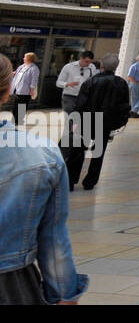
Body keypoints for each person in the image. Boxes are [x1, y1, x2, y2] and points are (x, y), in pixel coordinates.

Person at [0, 54, 88, 304]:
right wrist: (65, 294)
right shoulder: (42, 154)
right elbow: (52, 237)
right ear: (7, 92)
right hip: (13, 285)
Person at [61, 54, 131, 191]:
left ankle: (70, 179)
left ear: (102, 66)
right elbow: (124, 105)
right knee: (99, 152)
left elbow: (80, 104)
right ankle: (90, 181)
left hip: (87, 120)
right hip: (106, 122)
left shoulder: (91, 82)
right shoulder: (121, 83)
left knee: (78, 150)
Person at [55, 51, 94, 115]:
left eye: (90, 62)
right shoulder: (68, 67)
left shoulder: (92, 68)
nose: (88, 64)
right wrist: (68, 84)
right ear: (81, 58)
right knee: (70, 117)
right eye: (86, 61)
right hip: (69, 96)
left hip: (83, 97)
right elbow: (58, 83)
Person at [10, 52, 40, 122]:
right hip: (17, 89)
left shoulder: (34, 68)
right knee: (15, 106)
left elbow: (34, 79)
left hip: (26, 90)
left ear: (29, 59)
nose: (23, 58)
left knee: (22, 106)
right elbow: (16, 73)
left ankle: (18, 120)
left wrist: (32, 89)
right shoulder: (22, 66)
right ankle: (14, 120)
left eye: (25, 57)